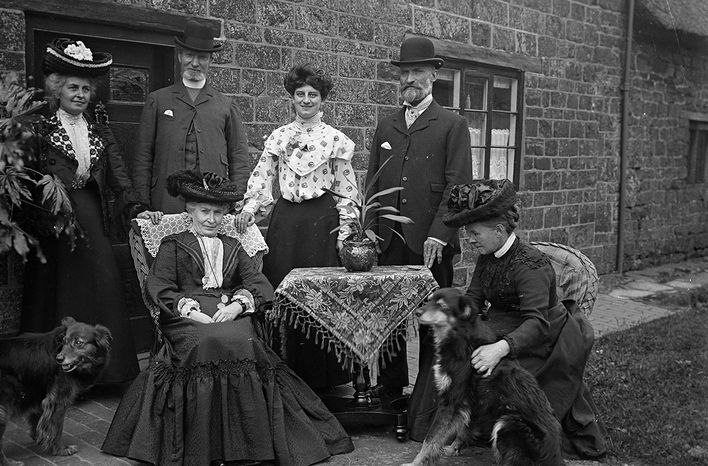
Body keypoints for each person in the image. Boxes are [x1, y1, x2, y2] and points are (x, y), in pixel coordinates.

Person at [102, 170, 354, 466]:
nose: (211, 219)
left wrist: (238, 305)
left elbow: (258, 283)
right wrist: (189, 309)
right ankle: (204, 445)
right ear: (190, 211)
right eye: (204, 212)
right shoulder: (173, 244)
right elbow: (159, 286)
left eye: (217, 213)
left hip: (229, 309)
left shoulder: (233, 246)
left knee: (244, 340)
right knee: (206, 340)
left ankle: (249, 443)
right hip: (185, 315)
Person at [408, 179, 607, 459]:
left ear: (499, 230)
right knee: (450, 355)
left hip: (542, 336)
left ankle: (474, 427)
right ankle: (434, 430)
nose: (470, 239)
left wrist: (498, 348)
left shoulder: (531, 264)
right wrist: (453, 328)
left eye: (475, 233)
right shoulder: (486, 256)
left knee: (487, 369)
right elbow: (474, 301)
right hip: (500, 324)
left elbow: (538, 323)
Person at [20, 38, 159, 385]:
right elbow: (27, 177)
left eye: (85, 88)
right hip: (53, 220)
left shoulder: (98, 131)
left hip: (92, 215)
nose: (80, 94)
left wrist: (136, 208)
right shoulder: (41, 129)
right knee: (56, 291)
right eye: (72, 87)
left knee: (103, 282)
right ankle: (52, 375)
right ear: (57, 89)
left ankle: (107, 374)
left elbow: (119, 176)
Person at [234, 64, 359, 388]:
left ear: (322, 100)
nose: (306, 100)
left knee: (320, 296)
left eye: (312, 95)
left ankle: (324, 376)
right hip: (287, 223)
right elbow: (262, 179)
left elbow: (346, 190)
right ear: (292, 98)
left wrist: (346, 233)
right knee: (283, 293)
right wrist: (250, 208)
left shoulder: (335, 140)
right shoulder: (279, 137)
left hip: (321, 223)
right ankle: (284, 371)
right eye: (300, 94)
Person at [366, 36, 472, 398]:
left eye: (418, 71)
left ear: (433, 75)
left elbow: (459, 188)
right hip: (388, 240)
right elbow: (372, 182)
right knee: (389, 320)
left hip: (431, 244)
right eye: (405, 72)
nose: (410, 78)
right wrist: (369, 231)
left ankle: (428, 400)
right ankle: (392, 392)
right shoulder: (387, 125)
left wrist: (440, 234)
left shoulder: (452, 125)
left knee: (433, 322)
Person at [131, 18, 252, 215]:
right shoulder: (158, 100)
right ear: (179, 56)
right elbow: (143, 157)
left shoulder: (226, 105)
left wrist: (236, 200)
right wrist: (142, 204)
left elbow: (238, 157)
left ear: (210, 61)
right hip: (166, 201)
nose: (194, 63)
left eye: (202, 57)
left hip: (212, 202)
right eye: (189, 55)